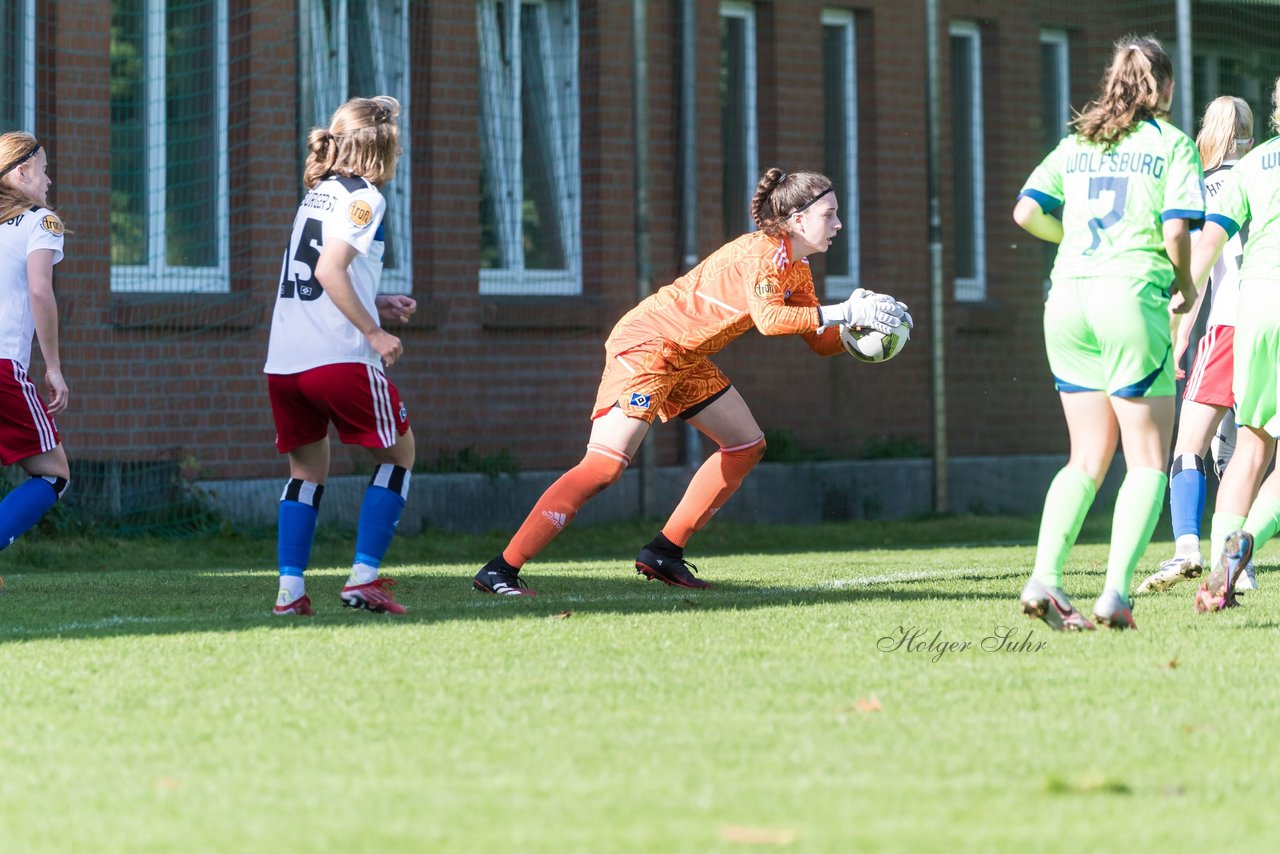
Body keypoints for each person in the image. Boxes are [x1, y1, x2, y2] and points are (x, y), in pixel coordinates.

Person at [472, 168, 908, 595]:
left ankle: (663, 552)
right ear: (797, 220)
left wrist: (859, 337)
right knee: (603, 467)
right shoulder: (763, 254)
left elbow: (818, 340)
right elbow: (771, 320)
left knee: (745, 445)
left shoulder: (796, 266)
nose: (838, 223)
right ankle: (501, 570)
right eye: (829, 214)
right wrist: (845, 312)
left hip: (686, 354)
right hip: (647, 346)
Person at [1013, 35, 1205, 631]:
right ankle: (1115, 594)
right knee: (1146, 460)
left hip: (1067, 298)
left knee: (1085, 457)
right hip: (1129, 297)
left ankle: (1045, 576)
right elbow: (1177, 231)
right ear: (1166, 88)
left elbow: (1024, 211)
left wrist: (1069, 239)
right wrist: (1186, 285)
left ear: (1111, 83)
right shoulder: (1171, 144)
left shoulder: (1077, 144)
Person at [265, 96, 418, 616]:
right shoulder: (364, 197)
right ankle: (363, 578)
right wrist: (374, 332)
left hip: (285, 362)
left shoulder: (318, 194)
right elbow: (329, 271)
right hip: (339, 357)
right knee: (399, 455)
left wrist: (375, 299)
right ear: (381, 147)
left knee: (306, 473)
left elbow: (315, 277)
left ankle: (290, 590)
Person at [1136, 96, 1253, 595]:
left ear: (1209, 130)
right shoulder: (1265, 178)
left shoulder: (1208, 186)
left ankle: (1187, 548)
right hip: (1269, 328)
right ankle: (1240, 565)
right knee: (1243, 449)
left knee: (1190, 444)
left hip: (1227, 327)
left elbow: (1200, 269)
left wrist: (1181, 334)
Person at [1180, 77, 1280, 612]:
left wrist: (1180, 307)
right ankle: (1246, 544)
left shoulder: (1252, 166)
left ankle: (1224, 562)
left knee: (1250, 447)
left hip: (1254, 308)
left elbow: (1209, 240)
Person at [0, 131, 71, 564]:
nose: (49, 181)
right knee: (54, 475)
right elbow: (41, 293)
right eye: (44, 170)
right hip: (4, 366)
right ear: (23, 171)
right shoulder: (41, 221)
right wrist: (54, 368)